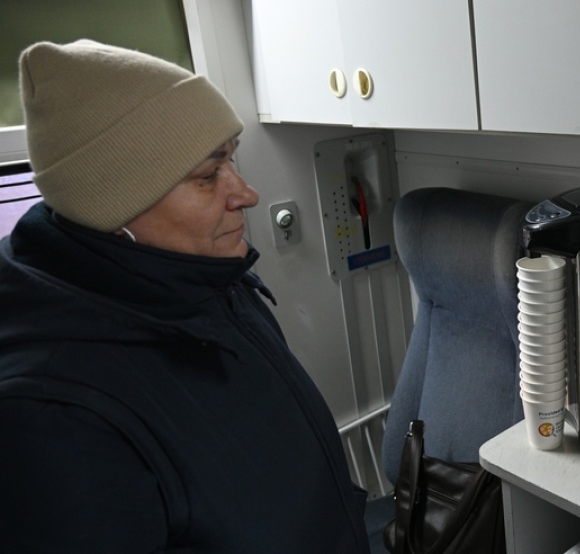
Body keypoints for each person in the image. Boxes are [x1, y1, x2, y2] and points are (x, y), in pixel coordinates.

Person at [0, 40, 372, 553]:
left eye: (231, 159)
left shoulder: (201, 274)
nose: (247, 194)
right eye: (207, 175)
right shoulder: (49, 416)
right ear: (115, 204)